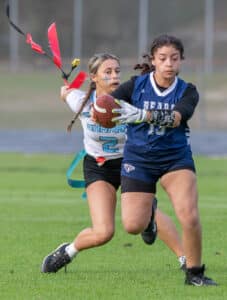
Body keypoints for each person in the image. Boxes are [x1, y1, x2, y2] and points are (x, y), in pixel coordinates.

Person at [41, 52, 185, 274]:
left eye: (117, 71)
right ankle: (67, 251)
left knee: (147, 214)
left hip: (133, 163)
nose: (114, 75)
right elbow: (66, 94)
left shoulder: (133, 100)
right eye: (107, 72)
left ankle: (186, 260)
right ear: (94, 77)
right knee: (104, 232)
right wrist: (65, 92)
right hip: (99, 167)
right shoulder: (82, 102)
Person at [109, 35, 217, 286]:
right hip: (139, 158)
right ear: (153, 61)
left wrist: (142, 114)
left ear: (181, 61)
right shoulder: (135, 85)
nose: (169, 63)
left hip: (174, 159)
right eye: (163, 58)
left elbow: (177, 117)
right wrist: (79, 99)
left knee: (188, 215)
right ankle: (150, 212)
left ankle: (195, 273)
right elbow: (106, 103)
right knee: (133, 226)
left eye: (174, 58)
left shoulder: (187, 90)